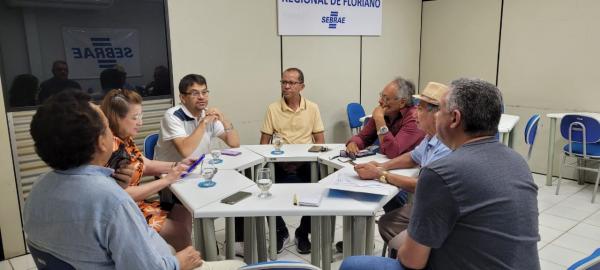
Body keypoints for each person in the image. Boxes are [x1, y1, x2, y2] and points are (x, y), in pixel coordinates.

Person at [24, 90, 244, 270]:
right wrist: (180, 262)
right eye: (106, 127)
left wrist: (172, 168)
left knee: (181, 213)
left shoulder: (38, 187)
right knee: (238, 265)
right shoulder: (112, 201)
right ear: (102, 142)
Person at [340, 78, 540, 270]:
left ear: (454, 118)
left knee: (352, 265)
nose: (434, 116)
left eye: (439, 111)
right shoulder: (518, 162)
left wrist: (405, 249)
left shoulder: (441, 173)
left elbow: (412, 261)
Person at [341, 82, 452, 253]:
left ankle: (407, 254)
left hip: (434, 211)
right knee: (381, 212)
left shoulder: (446, 144)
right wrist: (382, 165)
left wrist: (380, 174)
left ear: (437, 114)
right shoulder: (431, 136)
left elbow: (396, 153)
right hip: (425, 200)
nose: (380, 101)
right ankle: (390, 250)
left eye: (420, 109)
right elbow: (413, 156)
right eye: (381, 96)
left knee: (390, 217)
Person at [100, 88, 195, 251]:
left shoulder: (124, 138)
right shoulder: (112, 147)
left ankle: (179, 252)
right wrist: (166, 180)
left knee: (184, 208)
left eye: (141, 116)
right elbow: (120, 195)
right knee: (178, 231)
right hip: (125, 209)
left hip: (136, 202)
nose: (141, 122)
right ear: (117, 118)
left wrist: (178, 165)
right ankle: (184, 260)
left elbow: (144, 164)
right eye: (135, 117)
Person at [257, 67, 325, 254]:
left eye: (291, 83)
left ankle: (303, 232)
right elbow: (263, 143)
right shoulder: (273, 108)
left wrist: (304, 159)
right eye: (283, 82)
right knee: (261, 186)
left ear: (301, 86)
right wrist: (278, 160)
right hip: (279, 163)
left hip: (306, 163)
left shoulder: (312, 107)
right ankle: (280, 231)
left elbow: (319, 141)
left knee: (322, 186)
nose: (286, 86)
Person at [154, 74, 239, 162]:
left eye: (204, 92)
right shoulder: (173, 116)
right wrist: (203, 123)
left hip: (198, 167)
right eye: (195, 93)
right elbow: (185, 152)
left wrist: (224, 120)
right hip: (170, 171)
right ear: (183, 98)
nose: (201, 97)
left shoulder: (207, 114)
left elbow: (234, 144)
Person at [346, 77, 425, 159]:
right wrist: (353, 143)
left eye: (386, 98)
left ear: (402, 102)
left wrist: (379, 120)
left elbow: (393, 152)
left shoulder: (414, 118)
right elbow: (362, 137)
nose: (380, 101)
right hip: (389, 164)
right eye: (381, 96)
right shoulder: (384, 112)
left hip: (411, 168)